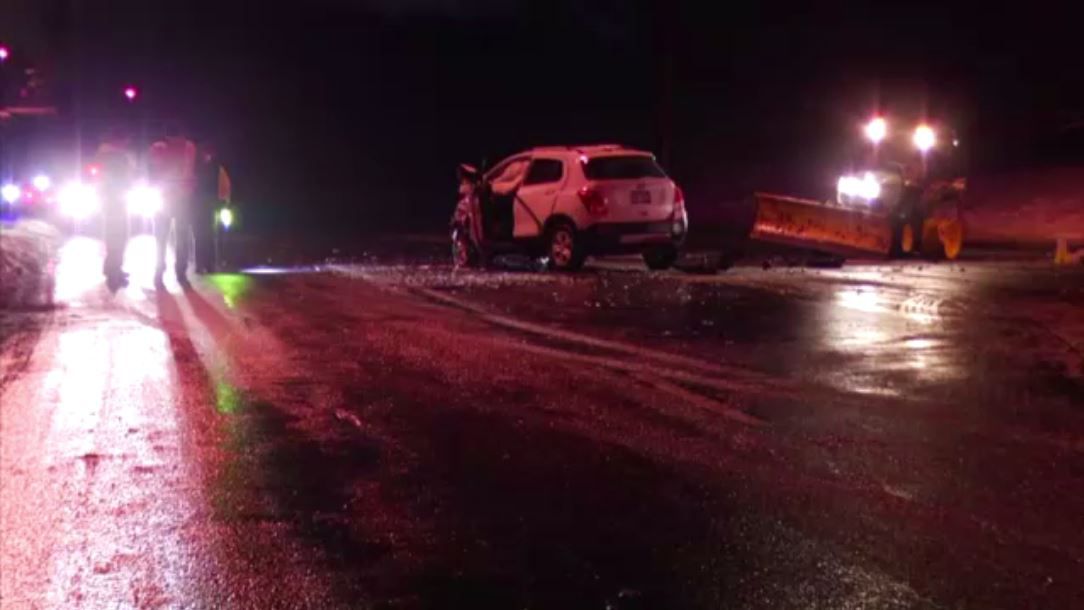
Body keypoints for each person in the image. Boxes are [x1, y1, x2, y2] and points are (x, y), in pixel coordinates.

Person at [148, 122, 197, 282]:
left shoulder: (157, 147)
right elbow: (192, 168)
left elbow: (152, 169)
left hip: (163, 196)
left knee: (161, 237)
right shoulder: (189, 146)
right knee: (181, 235)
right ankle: (180, 271)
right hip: (182, 196)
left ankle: (159, 270)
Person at [95, 125, 136, 288]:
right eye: (126, 140)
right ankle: (114, 270)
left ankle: (113, 268)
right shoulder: (116, 156)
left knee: (113, 234)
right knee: (119, 235)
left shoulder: (104, 154)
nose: (127, 143)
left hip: (109, 199)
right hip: (116, 200)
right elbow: (123, 177)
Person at [193, 142, 231, 273]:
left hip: (205, 205)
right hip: (204, 205)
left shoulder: (201, 168)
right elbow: (225, 187)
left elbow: (224, 186)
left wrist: (223, 201)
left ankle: (206, 265)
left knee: (204, 235)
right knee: (203, 235)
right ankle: (205, 265)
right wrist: (224, 201)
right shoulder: (211, 168)